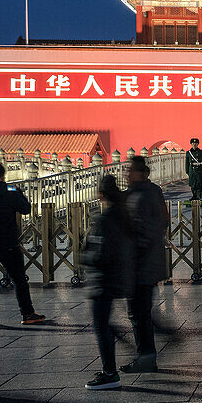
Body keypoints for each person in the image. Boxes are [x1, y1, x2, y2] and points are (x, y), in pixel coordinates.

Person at [0, 162, 44, 328]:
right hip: (8, 243)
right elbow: (26, 209)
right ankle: (27, 314)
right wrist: (18, 192)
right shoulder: (10, 192)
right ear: (2, 176)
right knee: (19, 280)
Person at [83, 175, 136, 390]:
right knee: (103, 322)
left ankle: (109, 373)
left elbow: (98, 253)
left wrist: (87, 257)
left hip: (103, 279)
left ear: (100, 194)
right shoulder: (123, 215)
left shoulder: (105, 220)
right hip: (118, 276)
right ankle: (113, 363)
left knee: (100, 324)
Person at [122, 156, 169, 372]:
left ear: (141, 173)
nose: (126, 174)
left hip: (139, 263)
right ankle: (148, 355)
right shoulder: (155, 191)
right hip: (150, 261)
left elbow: (136, 229)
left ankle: (146, 358)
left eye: (129, 171)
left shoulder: (138, 194)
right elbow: (164, 221)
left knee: (138, 313)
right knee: (142, 311)